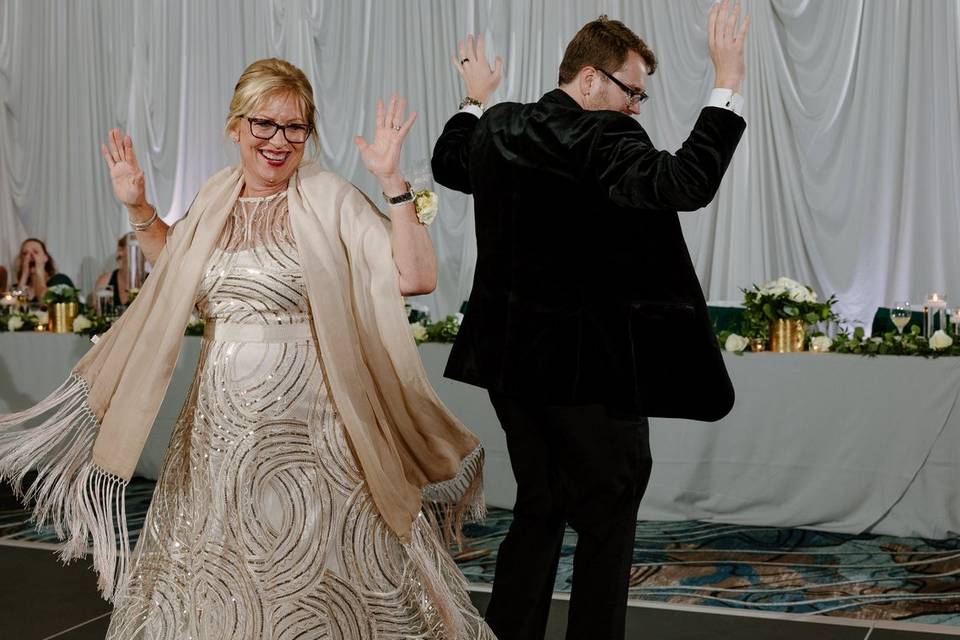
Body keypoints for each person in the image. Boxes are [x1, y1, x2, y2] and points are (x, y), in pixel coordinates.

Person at [0, 58, 493, 640]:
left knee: (321, 572)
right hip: (218, 433)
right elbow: (181, 268)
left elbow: (415, 277)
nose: (278, 141)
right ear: (236, 127)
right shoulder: (215, 196)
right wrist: (138, 208)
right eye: (264, 124)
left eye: (294, 128)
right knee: (216, 573)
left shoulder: (329, 196)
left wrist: (392, 183)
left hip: (316, 433)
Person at [431, 5, 749, 640]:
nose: (637, 107)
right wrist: (727, 82)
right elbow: (685, 182)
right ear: (589, 78)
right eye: (633, 91)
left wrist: (474, 99)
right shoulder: (604, 138)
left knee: (540, 506)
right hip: (593, 377)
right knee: (609, 520)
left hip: (511, 370)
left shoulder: (500, 127)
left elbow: (448, 164)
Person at [94, 234, 134, 307]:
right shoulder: (105, 281)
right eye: (133, 248)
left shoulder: (153, 280)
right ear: (120, 251)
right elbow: (94, 314)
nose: (139, 252)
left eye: (144, 248)